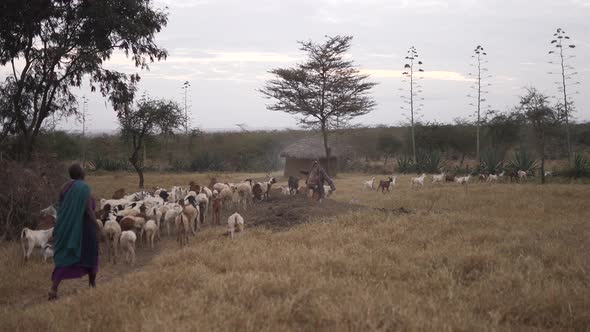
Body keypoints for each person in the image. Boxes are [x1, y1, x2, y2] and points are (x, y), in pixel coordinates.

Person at [48, 164, 98, 301]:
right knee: (90, 254)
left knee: (66, 254)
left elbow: (61, 207)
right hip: (85, 228)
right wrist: (98, 226)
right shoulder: (84, 187)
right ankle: (92, 284)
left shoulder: (64, 187)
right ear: (81, 173)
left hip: (66, 226)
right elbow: (88, 210)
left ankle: (53, 288)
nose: (85, 170)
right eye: (83, 169)